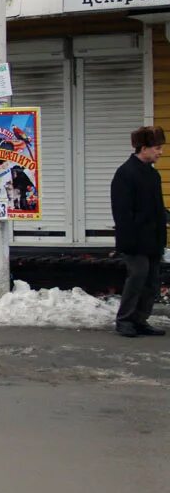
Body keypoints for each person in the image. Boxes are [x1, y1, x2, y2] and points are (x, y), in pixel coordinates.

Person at [110, 126, 168, 337]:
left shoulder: (152, 175)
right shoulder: (125, 173)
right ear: (143, 148)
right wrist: (130, 240)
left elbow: (155, 207)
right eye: (157, 148)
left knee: (151, 282)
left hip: (153, 239)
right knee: (137, 278)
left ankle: (140, 320)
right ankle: (124, 321)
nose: (160, 152)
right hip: (135, 241)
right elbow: (122, 212)